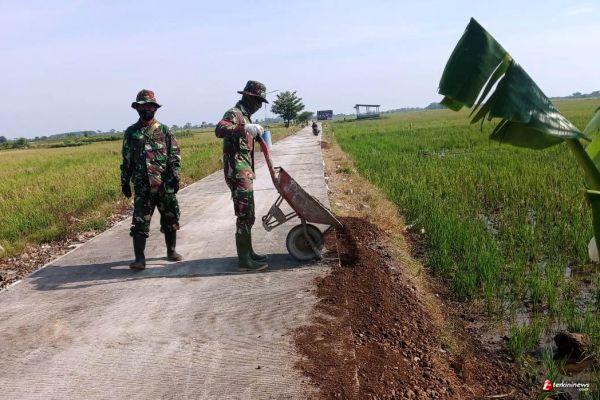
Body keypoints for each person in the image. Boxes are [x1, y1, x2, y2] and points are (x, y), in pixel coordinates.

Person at [121, 89, 183, 270]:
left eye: (149, 106)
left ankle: (171, 250)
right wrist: (125, 182)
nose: (146, 109)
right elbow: (126, 160)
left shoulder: (164, 131)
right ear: (137, 109)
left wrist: (175, 176)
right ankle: (139, 259)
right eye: (142, 106)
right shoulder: (131, 133)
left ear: (155, 108)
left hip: (164, 185)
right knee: (140, 222)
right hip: (143, 186)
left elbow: (174, 155)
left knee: (170, 218)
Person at [215, 80, 269, 272]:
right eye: (258, 100)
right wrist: (243, 128)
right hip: (237, 173)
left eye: (261, 102)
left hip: (245, 172)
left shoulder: (246, 117)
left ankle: (249, 253)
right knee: (244, 214)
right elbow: (219, 129)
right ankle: (244, 261)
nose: (259, 105)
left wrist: (255, 132)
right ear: (248, 97)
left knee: (249, 214)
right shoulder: (234, 114)